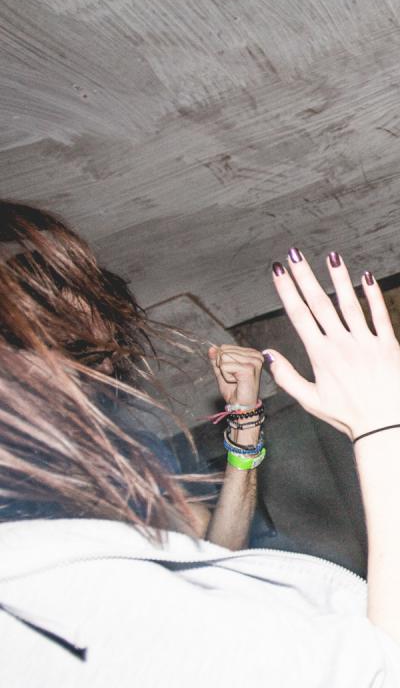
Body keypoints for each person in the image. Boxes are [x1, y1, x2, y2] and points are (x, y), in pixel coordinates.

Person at [0, 203, 400, 688]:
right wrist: (379, 424)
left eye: (103, 361)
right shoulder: (52, 594)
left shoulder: (111, 467)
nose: (94, 382)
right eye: (76, 356)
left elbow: (215, 547)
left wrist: (245, 419)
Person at [0, 202, 264, 549]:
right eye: (81, 350)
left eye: (113, 351)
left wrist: (245, 424)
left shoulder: (128, 450)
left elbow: (217, 553)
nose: (107, 368)